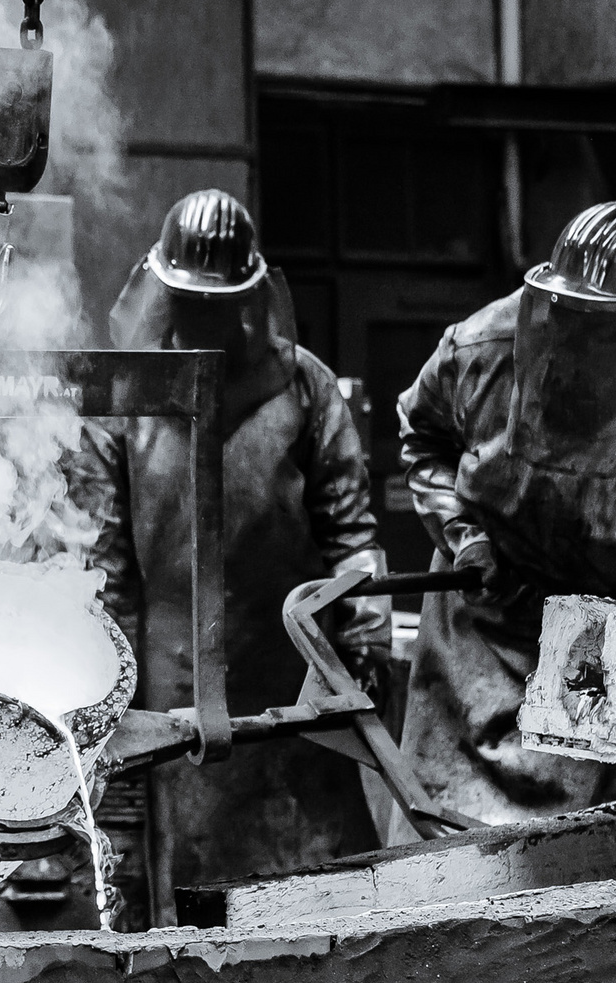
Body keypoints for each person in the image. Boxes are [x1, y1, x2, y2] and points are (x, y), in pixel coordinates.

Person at [392, 201, 616, 836]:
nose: (584, 347)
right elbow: (424, 438)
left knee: (573, 897)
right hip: (468, 640)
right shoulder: (481, 352)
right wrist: (464, 539)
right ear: (547, 304)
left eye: (608, 332)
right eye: (573, 321)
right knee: (427, 883)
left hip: (587, 672)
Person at [85, 189, 389, 916]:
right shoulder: (122, 399)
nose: (206, 320)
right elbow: (106, 566)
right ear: (162, 292)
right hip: (170, 694)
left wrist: (366, 641)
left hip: (297, 685)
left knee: (325, 903)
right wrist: (104, 693)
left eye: (219, 305)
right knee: (192, 916)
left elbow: (351, 532)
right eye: (191, 303)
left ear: (252, 297)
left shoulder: (306, 388)